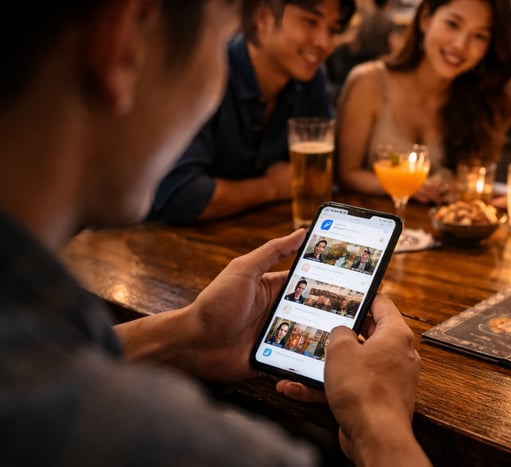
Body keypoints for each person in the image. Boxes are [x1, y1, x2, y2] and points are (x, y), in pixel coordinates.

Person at [0, 1, 430, 466]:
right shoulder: (181, 445)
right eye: (224, 42)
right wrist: (379, 423)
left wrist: (186, 335)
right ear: (124, 41)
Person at [147, 0, 356, 224]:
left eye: (332, 29)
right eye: (310, 22)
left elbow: (321, 176)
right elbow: (180, 196)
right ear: (262, 17)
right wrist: (272, 188)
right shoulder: (208, 70)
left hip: (256, 243)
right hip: (154, 246)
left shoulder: (310, 79)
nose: (325, 43)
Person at [335, 0, 511, 203]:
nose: (460, 45)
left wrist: (457, 187)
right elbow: (346, 175)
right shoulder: (369, 82)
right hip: (370, 225)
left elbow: (473, 177)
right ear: (425, 18)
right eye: (453, 24)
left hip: (434, 229)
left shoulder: (480, 100)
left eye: (479, 36)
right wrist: (407, 186)